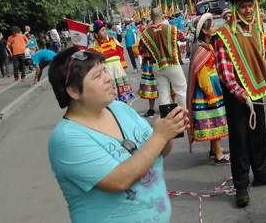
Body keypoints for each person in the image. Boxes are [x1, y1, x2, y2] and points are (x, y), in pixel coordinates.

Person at [47, 47, 188, 223]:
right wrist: (159, 136)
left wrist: (169, 131)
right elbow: (120, 180)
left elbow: (158, 152)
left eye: (105, 70)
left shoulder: (120, 108)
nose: (108, 78)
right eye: (97, 76)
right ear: (74, 91)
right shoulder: (67, 138)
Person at [214, 0, 266, 208]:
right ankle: (241, 186)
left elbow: (261, 59)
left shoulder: (256, 30)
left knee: (258, 135)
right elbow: (224, 71)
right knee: (239, 141)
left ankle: (261, 174)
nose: (247, 10)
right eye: (242, 6)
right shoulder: (224, 34)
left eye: (250, 6)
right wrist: (240, 93)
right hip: (237, 97)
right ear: (235, 9)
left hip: (256, 93)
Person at [186, 13, 230, 165]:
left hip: (213, 86)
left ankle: (214, 149)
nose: (214, 28)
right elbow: (202, 74)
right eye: (211, 26)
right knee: (214, 118)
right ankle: (218, 154)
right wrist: (210, 93)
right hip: (208, 89)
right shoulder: (201, 49)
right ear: (205, 31)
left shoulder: (206, 45)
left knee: (214, 117)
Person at [140, 7, 187, 108]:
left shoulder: (145, 33)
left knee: (163, 95)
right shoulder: (171, 28)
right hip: (172, 63)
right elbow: (183, 37)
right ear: (162, 16)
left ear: (151, 17)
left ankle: (167, 118)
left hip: (157, 66)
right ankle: (184, 116)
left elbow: (141, 50)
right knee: (181, 91)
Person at [90, 20, 135, 103]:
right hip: (108, 74)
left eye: (104, 29)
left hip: (119, 72)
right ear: (96, 34)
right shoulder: (94, 46)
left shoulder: (113, 40)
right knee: (112, 100)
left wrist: (123, 68)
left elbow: (121, 53)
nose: (105, 32)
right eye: (102, 31)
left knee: (123, 99)